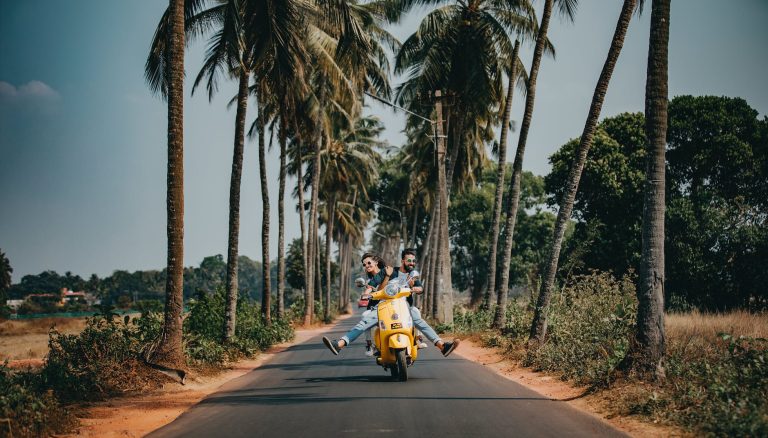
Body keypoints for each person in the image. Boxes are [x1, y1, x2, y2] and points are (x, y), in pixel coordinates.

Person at [323, 248, 460, 357]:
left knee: (418, 318)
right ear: (402, 261)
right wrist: (366, 294)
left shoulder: (412, 275)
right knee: (364, 322)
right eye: (408, 261)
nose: (411, 263)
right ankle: (340, 344)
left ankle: (442, 346)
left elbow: (419, 287)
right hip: (383, 306)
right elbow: (372, 285)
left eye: (413, 261)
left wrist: (416, 288)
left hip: (404, 306)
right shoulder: (387, 271)